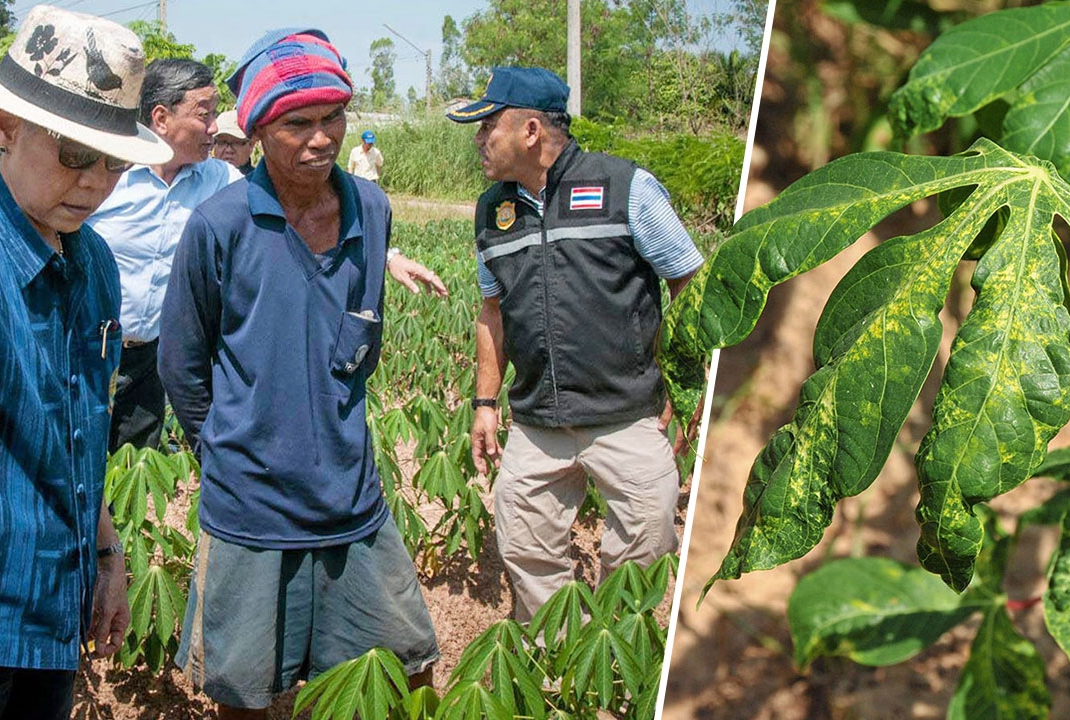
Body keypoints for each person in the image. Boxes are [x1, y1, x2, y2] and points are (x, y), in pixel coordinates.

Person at [0, 7, 172, 719]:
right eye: (75, 154)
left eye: (113, 160)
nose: (95, 182)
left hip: (52, 622)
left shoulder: (95, 263)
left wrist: (106, 555)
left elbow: (75, 435)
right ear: (5, 127)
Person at [159, 29, 446, 718]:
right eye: (298, 124)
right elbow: (181, 363)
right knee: (246, 695)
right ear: (257, 130)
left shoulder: (370, 210)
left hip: (351, 494)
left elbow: (360, 337)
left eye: (332, 119)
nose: (322, 139)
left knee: (405, 668)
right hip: (251, 507)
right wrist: (226, 449)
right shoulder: (219, 223)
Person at [447, 66, 705, 622]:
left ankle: (613, 646)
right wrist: (485, 403)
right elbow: (492, 312)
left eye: (487, 127)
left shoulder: (626, 188)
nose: (478, 142)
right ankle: (555, 653)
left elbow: (688, 282)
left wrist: (687, 386)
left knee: (645, 541)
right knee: (523, 542)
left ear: (531, 130)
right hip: (538, 423)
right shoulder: (493, 210)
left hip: (626, 415)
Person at [88, 58, 242, 453]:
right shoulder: (110, 171)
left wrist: (385, 254)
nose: (214, 129)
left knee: (131, 466)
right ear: (161, 118)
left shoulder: (221, 180)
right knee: (75, 470)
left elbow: (288, 207)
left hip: (151, 361)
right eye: (204, 115)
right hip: (86, 350)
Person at [212, 108, 256, 174]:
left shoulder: (260, 182)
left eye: (236, 142)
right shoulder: (200, 179)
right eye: (222, 142)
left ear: (251, 145)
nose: (229, 150)